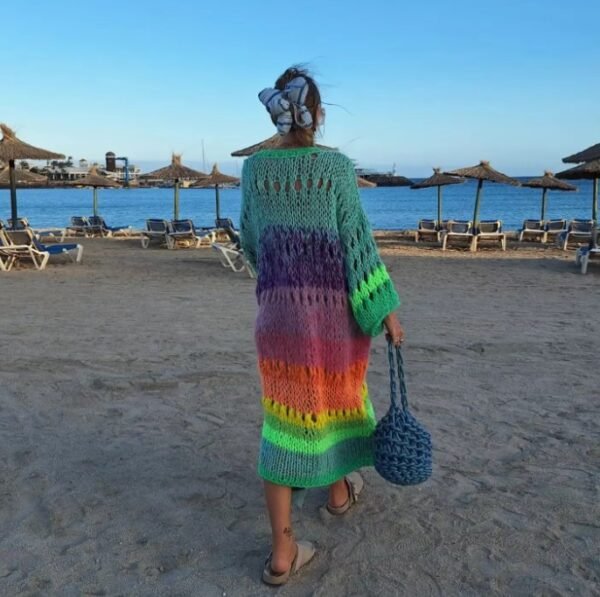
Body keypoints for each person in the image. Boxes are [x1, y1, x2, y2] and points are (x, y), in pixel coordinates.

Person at [239, 66, 404, 586]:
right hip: (334, 317)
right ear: (320, 114)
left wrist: (284, 282)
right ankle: (335, 496)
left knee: (284, 417)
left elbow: (250, 243)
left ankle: (285, 547)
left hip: (278, 316)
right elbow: (359, 248)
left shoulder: (254, 171)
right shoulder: (334, 170)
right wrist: (386, 312)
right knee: (337, 399)